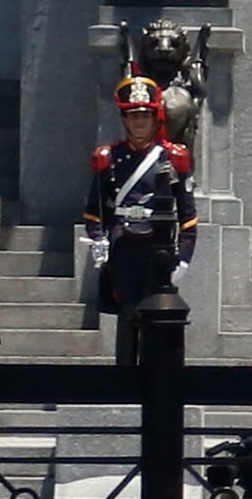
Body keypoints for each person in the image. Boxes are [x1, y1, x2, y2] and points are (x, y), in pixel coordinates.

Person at [83, 76, 196, 370]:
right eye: (133, 116)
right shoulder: (109, 158)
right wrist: (98, 239)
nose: (139, 123)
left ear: (155, 118)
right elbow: (94, 211)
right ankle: (124, 377)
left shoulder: (171, 157)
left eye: (145, 116)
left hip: (158, 245)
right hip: (123, 245)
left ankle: (154, 376)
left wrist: (184, 258)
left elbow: (188, 216)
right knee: (128, 312)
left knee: (155, 315)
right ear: (124, 119)